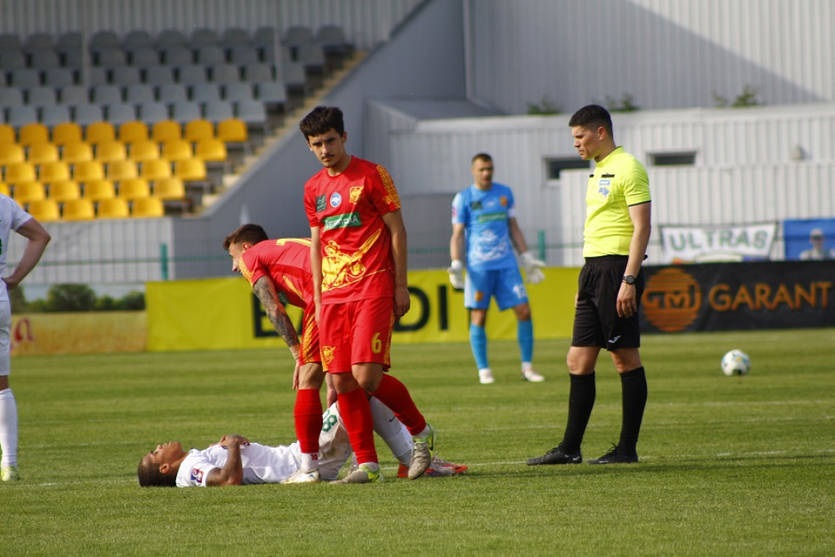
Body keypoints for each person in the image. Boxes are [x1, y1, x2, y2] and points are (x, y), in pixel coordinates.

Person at [300, 105, 434, 483]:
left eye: (329, 141)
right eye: (316, 144)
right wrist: (318, 294)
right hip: (332, 294)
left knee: (365, 377)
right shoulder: (312, 189)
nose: (325, 149)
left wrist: (401, 284)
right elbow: (316, 243)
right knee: (341, 381)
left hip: (372, 285)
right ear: (309, 147)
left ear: (344, 137)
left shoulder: (373, 175)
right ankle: (368, 464)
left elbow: (397, 230)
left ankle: (422, 433)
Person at [528, 104, 651, 466]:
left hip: (617, 271)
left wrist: (628, 279)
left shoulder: (629, 167)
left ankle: (627, 449)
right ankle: (569, 449)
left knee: (624, 359)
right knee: (578, 359)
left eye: (579, 137)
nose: (576, 144)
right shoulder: (598, 171)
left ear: (600, 132)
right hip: (594, 270)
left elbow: (641, 228)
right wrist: (586, 278)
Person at [138, 399, 467, 487]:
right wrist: (235, 444)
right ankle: (412, 457)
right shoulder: (189, 471)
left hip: (299, 455)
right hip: (299, 463)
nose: (159, 445)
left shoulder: (192, 463)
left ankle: (410, 459)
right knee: (360, 391)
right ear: (165, 467)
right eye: (155, 453)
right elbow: (228, 481)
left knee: (362, 393)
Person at [223, 224, 325, 484]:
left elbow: (274, 309)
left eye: (234, 257)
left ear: (246, 248)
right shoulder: (289, 245)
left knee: (308, 380)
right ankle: (396, 451)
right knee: (352, 378)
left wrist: (297, 355)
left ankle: (309, 467)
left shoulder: (251, 257)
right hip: (353, 282)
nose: (235, 267)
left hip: (324, 296)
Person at [449, 153, 547, 385]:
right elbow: (457, 235)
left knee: (524, 311)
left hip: (506, 265)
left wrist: (526, 256)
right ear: (473, 171)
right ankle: (484, 370)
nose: (486, 173)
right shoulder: (463, 198)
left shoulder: (504, 193)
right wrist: (456, 263)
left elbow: (514, 227)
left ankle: (528, 368)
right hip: (479, 267)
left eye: (489, 168)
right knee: (479, 315)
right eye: (482, 169)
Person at [0, 194, 51, 481]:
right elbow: (41, 236)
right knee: (1, 385)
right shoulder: (4, 203)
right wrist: (16, 277)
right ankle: (9, 463)